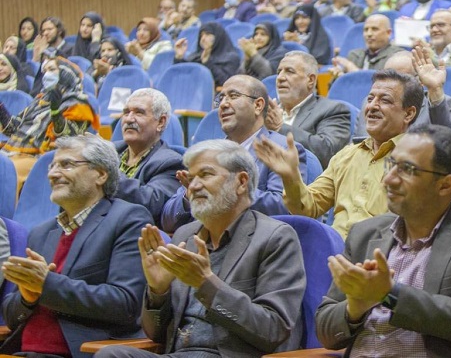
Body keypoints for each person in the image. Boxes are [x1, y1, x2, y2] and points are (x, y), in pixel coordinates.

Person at [93, 139, 306, 358]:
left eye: (205, 175)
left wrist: (207, 284)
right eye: (191, 178)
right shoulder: (185, 236)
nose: (193, 186)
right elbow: (156, 335)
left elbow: (273, 329)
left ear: (241, 182)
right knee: (111, 355)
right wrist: (158, 292)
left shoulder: (275, 237)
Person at [316, 125, 451, 357]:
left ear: (445, 185)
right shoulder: (365, 233)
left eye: (407, 170)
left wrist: (389, 294)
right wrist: (355, 309)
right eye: (391, 164)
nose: (388, 179)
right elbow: (325, 330)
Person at [0, 134, 151, 357]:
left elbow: (125, 304)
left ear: (100, 174)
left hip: (78, 352)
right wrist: (27, 298)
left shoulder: (127, 219)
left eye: (66, 164)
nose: (53, 173)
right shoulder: (41, 233)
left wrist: (47, 285)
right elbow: (11, 315)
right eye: (52, 166)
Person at [255, 69, 423, 238]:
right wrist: (290, 177)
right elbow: (307, 208)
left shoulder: (418, 161)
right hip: (336, 249)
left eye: (385, 100)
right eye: (370, 99)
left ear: (409, 114)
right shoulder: (347, 155)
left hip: (382, 250)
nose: (372, 106)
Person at [161, 75, 308, 233]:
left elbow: (285, 208)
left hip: (254, 241)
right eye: (221, 98)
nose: (223, 104)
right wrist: (188, 195)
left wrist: (226, 188)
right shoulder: (208, 154)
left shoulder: (281, 149)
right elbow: (168, 221)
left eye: (233, 96)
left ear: (258, 105)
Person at [0, 57, 99, 187]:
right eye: (45, 71)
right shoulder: (40, 100)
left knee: (5, 172)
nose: (46, 74)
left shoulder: (78, 104)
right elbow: (14, 130)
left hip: (41, 158)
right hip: (14, 152)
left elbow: (67, 139)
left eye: (51, 69)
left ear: (65, 74)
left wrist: (56, 112)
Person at [265, 51, 350, 168]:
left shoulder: (333, 110)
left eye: (289, 71)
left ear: (310, 80)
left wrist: (279, 127)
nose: (280, 78)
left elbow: (327, 152)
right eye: (279, 72)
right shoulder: (268, 112)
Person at [352, 51, 451, 139]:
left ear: (420, 81)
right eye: (387, 76)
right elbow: (358, 142)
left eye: (402, 78)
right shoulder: (369, 103)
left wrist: (435, 91)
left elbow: (447, 147)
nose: (392, 83)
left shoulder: (439, 104)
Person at [114, 89, 184, 224]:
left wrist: (107, 172)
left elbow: (150, 203)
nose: (129, 119)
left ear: (161, 122)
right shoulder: (111, 150)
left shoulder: (170, 162)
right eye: (126, 112)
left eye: (139, 112)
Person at [174, 21, 241, 87]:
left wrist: (207, 62)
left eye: (207, 34)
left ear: (218, 36)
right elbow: (182, 78)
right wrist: (179, 58)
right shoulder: (196, 57)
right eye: (201, 35)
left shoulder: (231, 58)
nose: (203, 38)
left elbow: (226, 82)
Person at [332, 14, 403, 74]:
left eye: (374, 29)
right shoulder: (354, 55)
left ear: (388, 33)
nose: (369, 34)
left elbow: (383, 83)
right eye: (366, 30)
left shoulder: (397, 57)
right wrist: (339, 76)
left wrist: (352, 68)